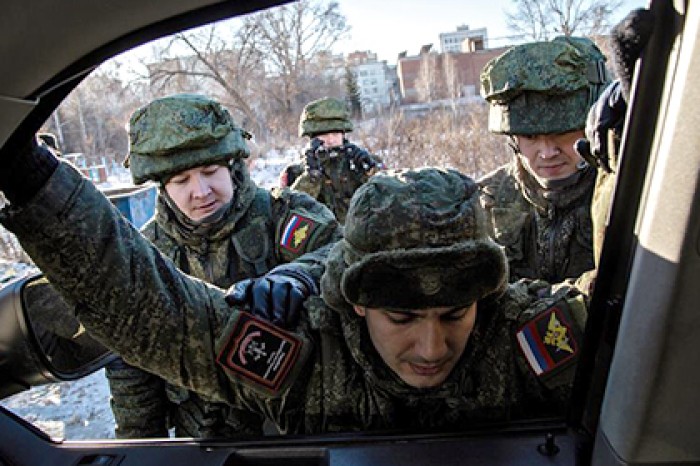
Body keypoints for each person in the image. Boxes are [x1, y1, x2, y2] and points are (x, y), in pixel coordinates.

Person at [0, 132, 588, 433]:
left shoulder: (521, 332)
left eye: (454, 315)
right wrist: (31, 179)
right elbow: (153, 313)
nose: (431, 350)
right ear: (356, 306)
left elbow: (661, 315)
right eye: (402, 318)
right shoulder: (309, 351)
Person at [106, 94, 343, 439]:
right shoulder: (145, 251)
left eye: (209, 172)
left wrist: (297, 275)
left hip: (291, 428)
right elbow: (130, 362)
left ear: (233, 167)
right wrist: (141, 445)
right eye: (181, 180)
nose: (200, 191)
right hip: (201, 437)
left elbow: (339, 252)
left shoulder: (279, 214)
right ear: (162, 185)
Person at [478, 36, 610, 283]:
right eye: (530, 137)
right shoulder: (485, 202)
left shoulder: (625, 195)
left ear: (590, 129)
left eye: (562, 134)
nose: (547, 152)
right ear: (513, 139)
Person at [290, 96, 382, 223]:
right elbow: (291, 211)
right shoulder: (295, 172)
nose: (331, 140)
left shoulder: (361, 162)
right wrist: (312, 176)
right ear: (312, 138)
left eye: (335, 134)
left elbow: (387, 197)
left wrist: (370, 171)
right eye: (324, 135)